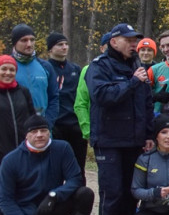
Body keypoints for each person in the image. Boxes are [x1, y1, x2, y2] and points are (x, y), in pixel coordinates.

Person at [87, 23, 155, 215]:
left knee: (129, 193)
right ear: (114, 42)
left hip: (134, 141)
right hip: (109, 141)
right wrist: (132, 83)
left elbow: (146, 103)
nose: (134, 44)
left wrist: (149, 134)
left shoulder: (137, 65)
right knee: (112, 192)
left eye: (135, 39)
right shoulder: (99, 67)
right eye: (128, 40)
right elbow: (102, 97)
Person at [0, 114, 93, 215]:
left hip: (51, 208)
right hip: (24, 213)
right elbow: (5, 201)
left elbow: (75, 179)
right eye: (34, 132)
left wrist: (54, 195)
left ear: (49, 132)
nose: (39, 135)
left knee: (85, 194)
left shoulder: (62, 148)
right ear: (26, 135)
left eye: (43, 131)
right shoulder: (10, 160)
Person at [44, 33, 87, 173]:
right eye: (60, 44)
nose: (64, 47)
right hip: (56, 125)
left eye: (66, 44)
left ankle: (80, 194)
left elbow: (82, 97)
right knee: (55, 168)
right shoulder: (45, 68)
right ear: (50, 49)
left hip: (75, 126)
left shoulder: (75, 69)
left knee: (78, 168)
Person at [9, 24, 58, 126]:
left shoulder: (45, 66)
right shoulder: (6, 67)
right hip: (14, 129)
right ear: (14, 43)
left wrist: (47, 123)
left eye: (32, 40)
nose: (29, 44)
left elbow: (54, 98)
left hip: (41, 128)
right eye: (24, 40)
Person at [74, 32, 111, 143]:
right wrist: (88, 132)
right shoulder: (89, 70)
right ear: (101, 48)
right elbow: (81, 103)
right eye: (108, 48)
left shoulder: (128, 68)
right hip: (99, 131)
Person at [0, 55, 36, 160]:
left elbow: (32, 118)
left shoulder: (23, 92)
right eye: (4, 69)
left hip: (23, 151)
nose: (8, 73)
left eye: (12, 70)